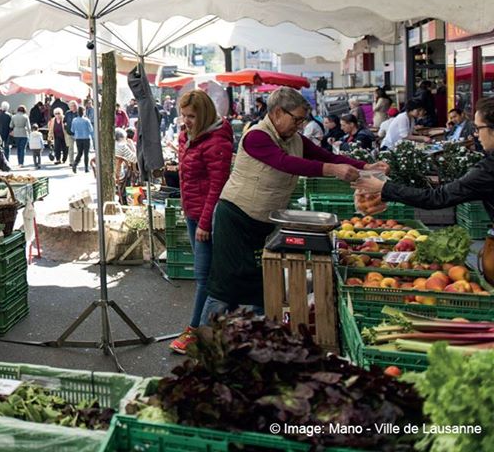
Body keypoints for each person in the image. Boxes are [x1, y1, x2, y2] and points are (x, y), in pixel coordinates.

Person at [201, 87, 387, 324]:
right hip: (236, 218)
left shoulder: (295, 139)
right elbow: (285, 163)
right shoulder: (256, 136)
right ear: (278, 112)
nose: (299, 126)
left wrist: (365, 166)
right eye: (296, 119)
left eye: (302, 120)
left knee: (264, 283)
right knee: (224, 287)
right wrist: (333, 171)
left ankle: (255, 340)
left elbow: (326, 156)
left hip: (264, 223)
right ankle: (203, 338)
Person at [355, 95, 494, 282]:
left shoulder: (488, 170)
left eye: (478, 128)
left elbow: (436, 198)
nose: (476, 134)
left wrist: (385, 187)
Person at [168, 90, 234, 353]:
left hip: (208, 218)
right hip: (192, 213)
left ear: (204, 114)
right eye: (183, 115)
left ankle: (196, 330)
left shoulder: (217, 141)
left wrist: (205, 223)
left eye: (191, 116)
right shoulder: (187, 136)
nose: (186, 121)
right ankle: (218, 327)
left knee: (204, 277)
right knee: (207, 275)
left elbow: (217, 186)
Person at [71, 106, 94, 174]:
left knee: (79, 153)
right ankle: (86, 168)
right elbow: (91, 129)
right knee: (86, 153)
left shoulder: (74, 120)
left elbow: (72, 129)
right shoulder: (86, 120)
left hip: (78, 138)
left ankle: (75, 163)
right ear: (83, 112)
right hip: (86, 138)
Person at [64, 100, 79, 165]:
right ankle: (71, 161)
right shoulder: (67, 113)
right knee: (71, 148)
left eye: (74, 106)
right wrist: (65, 127)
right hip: (69, 133)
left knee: (79, 148)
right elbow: (64, 121)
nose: (72, 107)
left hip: (78, 133)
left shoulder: (79, 113)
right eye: (71, 106)